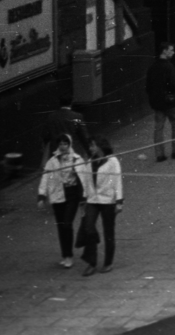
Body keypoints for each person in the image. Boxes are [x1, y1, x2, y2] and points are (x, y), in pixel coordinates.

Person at [36, 134, 89, 270]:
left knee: (67, 223)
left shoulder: (77, 160)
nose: (63, 146)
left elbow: (84, 178)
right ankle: (65, 255)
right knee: (61, 226)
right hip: (58, 195)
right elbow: (45, 178)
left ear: (70, 144)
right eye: (60, 144)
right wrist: (42, 196)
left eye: (65, 144)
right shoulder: (52, 161)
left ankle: (69, 256)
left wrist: (85, 196)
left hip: (72, 195)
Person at [77, 138, 121, 276]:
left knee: (109, 232)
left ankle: (108, 263)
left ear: (100, 146)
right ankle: (92, 262)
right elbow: (86, 182)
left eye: (92, 145)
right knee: (88, 226)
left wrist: (119, 201)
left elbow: (117, 180)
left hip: (108, 200)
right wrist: (84, 200)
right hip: (93, 200)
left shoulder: (112, 161)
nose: (90, 148)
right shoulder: (89, 162)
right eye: (90, 146)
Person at [146, 42, 175, 162]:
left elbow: (148, 86)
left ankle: (160, 154)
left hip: (157, 102)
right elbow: (173, 84)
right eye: (171, 50)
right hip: (170, 102)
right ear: (164, 51)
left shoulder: (152, 67)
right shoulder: (169, 66)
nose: (173, 52)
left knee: (158, 127)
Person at [39, 93, 89, 160]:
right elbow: (84, 137)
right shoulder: (77, 116)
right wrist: (90, 153)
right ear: (71, 102)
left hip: (56, 153)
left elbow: (45, 136)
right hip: (72, 153)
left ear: (59, 102)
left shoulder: (51, 117)